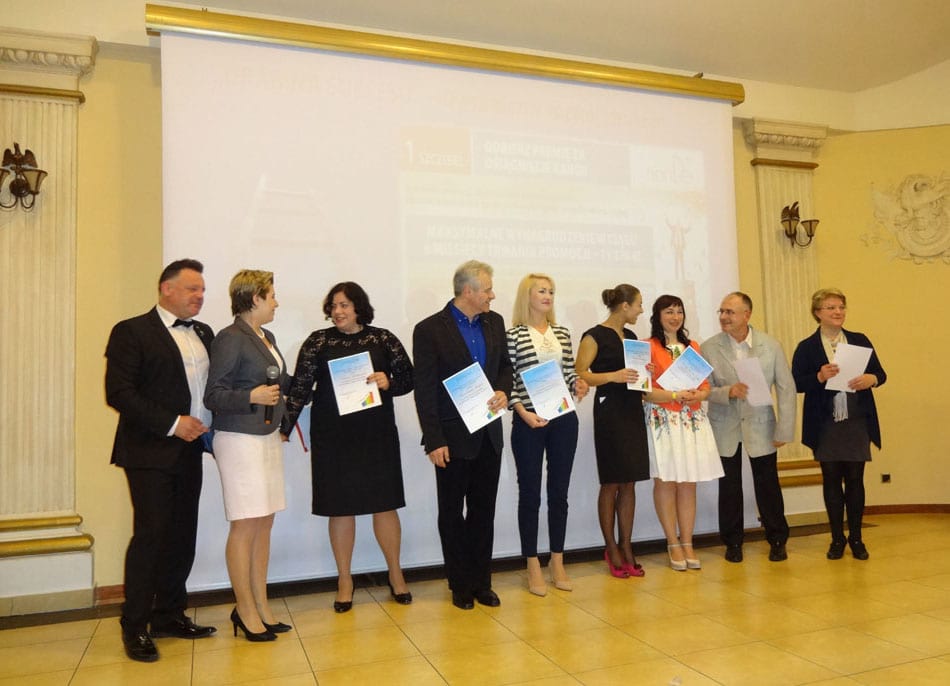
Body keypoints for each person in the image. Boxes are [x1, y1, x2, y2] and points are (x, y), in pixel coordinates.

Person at [105, 258, 217, 663]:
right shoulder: (132, 331)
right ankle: (134, 625)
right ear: (166, 288)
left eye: (202, 290)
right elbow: (119, 393)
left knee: (182, 535)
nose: (200, 296)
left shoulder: (203, 332)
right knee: (151, 537)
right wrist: (173, 424)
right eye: (192, 289)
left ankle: (169, 614)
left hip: (191, 450)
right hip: (149, 451)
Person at [284, 282, 415, 612]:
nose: (338, 311)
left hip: (376, 435)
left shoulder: (383, 339)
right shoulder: (318, 341)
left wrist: (388, 381)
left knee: (385, 504)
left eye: (344, 305)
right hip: (334, 437)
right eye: (333, 306)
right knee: (340, 507)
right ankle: (345, 580)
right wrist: (284, 427)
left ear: (359, 307)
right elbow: (300, 387)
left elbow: (408, 379)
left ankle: (396, 574)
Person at [412, 260, 513, 610]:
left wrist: (503, 390)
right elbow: (425, 390)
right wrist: (434, 439)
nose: (492, 295)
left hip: (489, 434)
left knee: (484, 512)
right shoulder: (429, 329)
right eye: (488, 289)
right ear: (468, 291)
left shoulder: (495, 322)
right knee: (452, 514)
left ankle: (482, 582)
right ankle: (459, 584)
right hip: (452, 439)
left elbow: (505, 367)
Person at [205, 269, 291, 642]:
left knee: (264, 521)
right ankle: (244, 608)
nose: (276, 302)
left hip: (267, 437)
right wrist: (251, 396)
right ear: (254, 298)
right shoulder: (229, 337)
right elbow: (214, 395)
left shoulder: (267, 337)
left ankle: (261, 604)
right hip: (238, 439)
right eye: (271, 296)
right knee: (245, 524)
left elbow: (280, 383)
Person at [506, 273, 589, 595]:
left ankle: (557, 560)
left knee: (559, 493)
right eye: (541, 290)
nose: (548, 296)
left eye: (551, 291)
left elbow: (568, 373)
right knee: (530, 494)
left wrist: (578, 384)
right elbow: (509, 380)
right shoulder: (513, 335)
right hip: (529, 421)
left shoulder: (562, 333)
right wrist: (522, 411)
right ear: (526, 296)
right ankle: (532, 563)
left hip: (563, 420)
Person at [791, 288, 886, 560]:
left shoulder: (859, 340)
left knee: (855, 480)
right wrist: (819, 376)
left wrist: (871, 379)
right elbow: (796, 382)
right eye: (831, 307)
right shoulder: (807, 347)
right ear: (818, 313)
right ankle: (836, 538)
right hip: (825, 423)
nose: (838, 312)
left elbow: (880, 374)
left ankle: (856, 537)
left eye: (841, 307)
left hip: (856, 420)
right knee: (831, 480)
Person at [701, 292, 796, 563]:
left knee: (768, 485)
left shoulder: (770, 345)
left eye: (730, 312)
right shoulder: (709, 347)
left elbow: (786, 388)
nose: (724, 317)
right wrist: (727, 392)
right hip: (724, 425)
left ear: (746, 315)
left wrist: (784, 430)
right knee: (729, 487)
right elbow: (703, 389)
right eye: (721, 311)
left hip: (761, 424)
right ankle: (732, 542)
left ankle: (777, 539)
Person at [575, 284, 650, 579]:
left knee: (629, 481)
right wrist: (613, 376)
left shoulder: (631, 337)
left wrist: (646, 374)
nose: (641, 310)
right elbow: (580, 373)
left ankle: (626, 545)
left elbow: (637, 376)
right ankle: (611, 547)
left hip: (632, 409)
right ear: (625, 306)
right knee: (611, 482)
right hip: (609, 411)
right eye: (639, 304)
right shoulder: (594, 335)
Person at [644, 294, 723, 571]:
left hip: (691, 419)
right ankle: (672, 542)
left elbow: (705, 385)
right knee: (666, 481)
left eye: (679, 311)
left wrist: (699, 394)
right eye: (669, 311)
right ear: (657, 315)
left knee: (689, 482)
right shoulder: (647, 346)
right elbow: (644, 392)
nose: (675, 317)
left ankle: (688, 542)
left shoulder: (693, 346)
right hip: (663, 419)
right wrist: (675, 394)